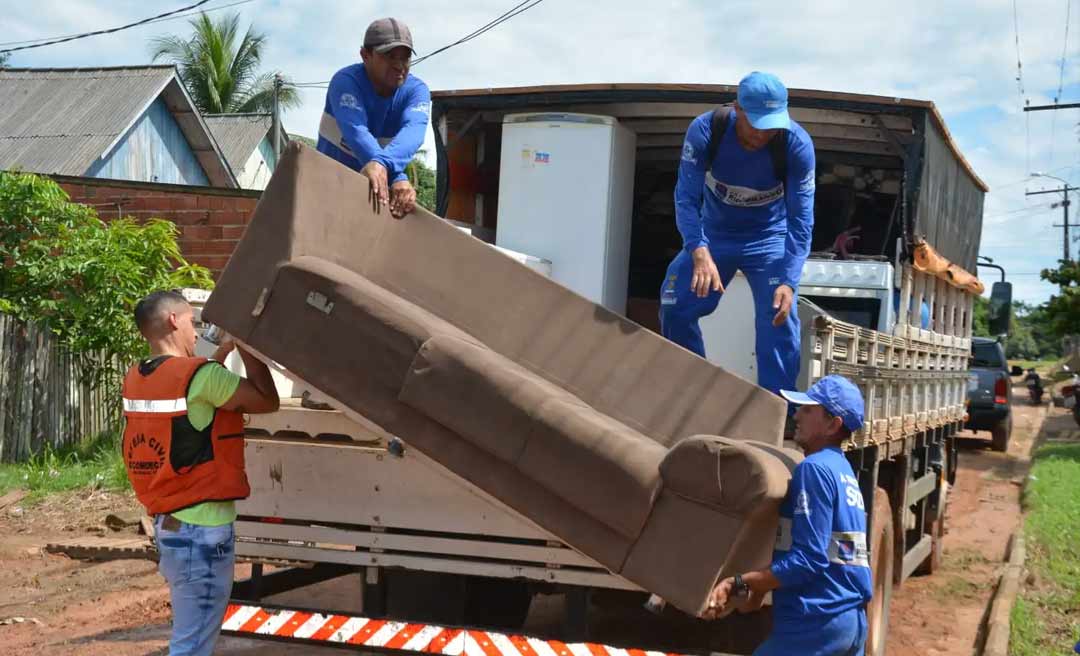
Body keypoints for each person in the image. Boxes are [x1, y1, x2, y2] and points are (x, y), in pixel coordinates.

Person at [121, 291, 279, 655]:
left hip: (171, 523)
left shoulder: (137, 377)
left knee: (191, 634)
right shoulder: (202, 377)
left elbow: (190, 397)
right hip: (202, 534)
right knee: (192, 646)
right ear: (174, 321)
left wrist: (219, 352)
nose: (196, 331)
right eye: (192, 321)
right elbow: (265, 399)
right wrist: (247, 347)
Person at [659, 71, 815, 395]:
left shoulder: (796, 146)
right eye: (757, 123)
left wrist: (789, 279)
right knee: (674, 304)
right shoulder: (706, 130)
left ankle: (779, 410)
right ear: (737, 109)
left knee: (779, 314)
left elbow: (801, 219)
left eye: (772, 125)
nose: (764, 134)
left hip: (768, 238)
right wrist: (698, 250)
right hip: (714, 237)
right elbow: (686, 198)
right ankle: (692, 392)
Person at [704, 375, 873, 656]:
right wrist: (758, 591)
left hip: (815, 624)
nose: (797, 414)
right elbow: (831, 551)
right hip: (849, 623)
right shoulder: (842, 471)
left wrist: (740, 581)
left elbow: (810, 558)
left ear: (833, 424)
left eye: (808, 410)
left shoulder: (814, 470)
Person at [317, 17, 431, 218]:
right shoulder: (345, 82)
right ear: (365, 55)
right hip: (326, 195)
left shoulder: (416, 91)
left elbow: (414, 132)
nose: (399, 65)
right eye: (389, 56)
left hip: (371, 210)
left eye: (405, 58)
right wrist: (398, 175)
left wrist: (388, 170)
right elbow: (357, 132)